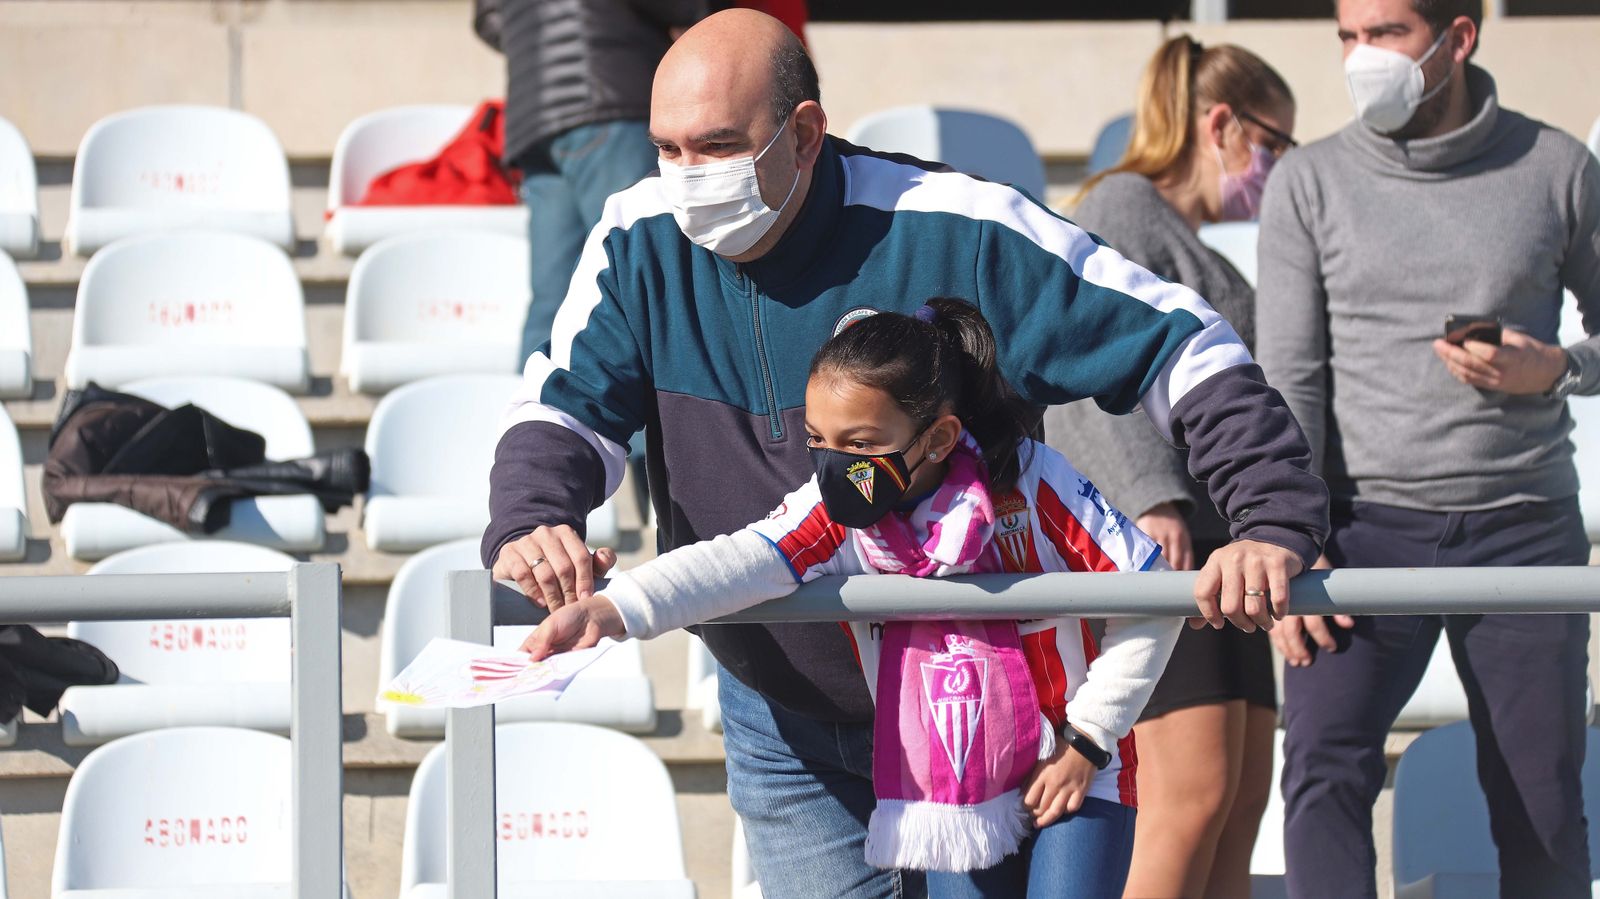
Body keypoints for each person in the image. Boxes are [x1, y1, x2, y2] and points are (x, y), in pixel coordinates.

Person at [483, 10, 1329, 897]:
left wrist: (1270, 512)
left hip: (988, 703)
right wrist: (538, 514)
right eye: (669, 148)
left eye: (720, 146)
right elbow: (561, 408)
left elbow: (1180, 343)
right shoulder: (637, 234)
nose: (687, 179)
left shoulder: (960, 226)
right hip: (787, 717)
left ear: (804, 132)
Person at [525, 300, 1181, 896]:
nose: (835, 464)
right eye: (817, 440)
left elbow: (1153, 592)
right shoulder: (835, 508)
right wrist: (616, 609)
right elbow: (739, 559)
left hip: (1077, 762)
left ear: (940, 438)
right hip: (950, 780)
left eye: (861, 445)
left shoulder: (1032, 481)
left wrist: (1089, 740)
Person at [1255, 1, 1600, 896]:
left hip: (1524, 525)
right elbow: (1289, 379)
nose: (1361, 56)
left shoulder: (1557, 165)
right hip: (1360, 528)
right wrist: (1293, 535)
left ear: (1459, 38)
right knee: (1322, 772)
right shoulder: (1310, 181)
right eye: (1347, 35)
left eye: (1388, 34)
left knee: (1542, 800)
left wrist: (1553, 368)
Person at [1046, 35, 1296, 899]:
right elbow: (1083, 364)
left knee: (1234, 802)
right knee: (1185, 798)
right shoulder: (1119, 208)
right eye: (1275, 144)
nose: (1277, 169)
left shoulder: (1198, 245)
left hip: (1223, 550)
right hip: (1163, 552)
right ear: (1220, 124)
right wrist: (1149, 493)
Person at [472, 0, 708, 360]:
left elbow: (489, 17)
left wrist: (540, 45)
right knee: (648, 275)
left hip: (535, 116)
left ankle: (533, 411)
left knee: (553, 299)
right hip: (610, 94)